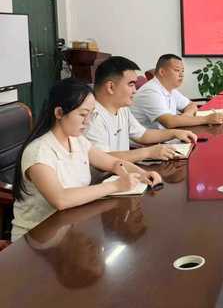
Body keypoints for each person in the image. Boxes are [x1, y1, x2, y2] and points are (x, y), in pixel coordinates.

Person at [11, 78, 162, 241]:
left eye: (91, 114)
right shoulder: (39, 151)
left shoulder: (77, 140)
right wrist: (116, 185)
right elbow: (61, 199)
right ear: (59, 113)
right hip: (37, 238)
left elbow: (112, 162)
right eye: (83, 114)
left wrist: (142, 173)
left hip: (71, 226)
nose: (88, 121)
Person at [85, 56, 198, 163]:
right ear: (111, 87)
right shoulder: (90, 117)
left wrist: (175, 133)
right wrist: (148, 152)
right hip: (107, 176)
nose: (135, 90)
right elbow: (102, 159)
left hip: (124, 170)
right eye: (131, 84)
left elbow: (142, 135)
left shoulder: (122, 109)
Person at [130, 54, 223, 129]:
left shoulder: (170, 89)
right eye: (177, 70)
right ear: (162, 72)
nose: (181, 75)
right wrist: (206, 119)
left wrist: (185, 117)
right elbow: (169, 122)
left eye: (182, 71)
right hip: (148, 145)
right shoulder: (150, 91)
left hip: (166, 138)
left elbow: (191, 105)